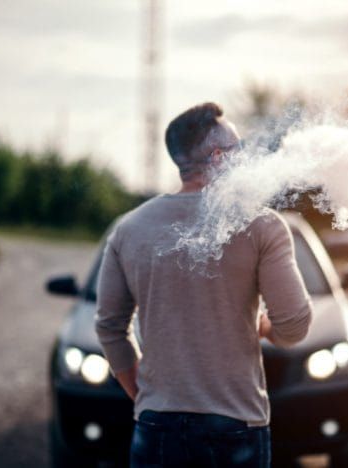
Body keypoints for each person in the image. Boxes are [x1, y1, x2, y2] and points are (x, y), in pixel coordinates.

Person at [95, 102, 313, 467]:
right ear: (217, 157)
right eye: (237, 150)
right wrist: (267, 329)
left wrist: (144, 397)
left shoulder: (128, 229)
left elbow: (108, 327)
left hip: (156, 425)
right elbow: (294, 325)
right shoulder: (262, 225)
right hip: (236, 426)